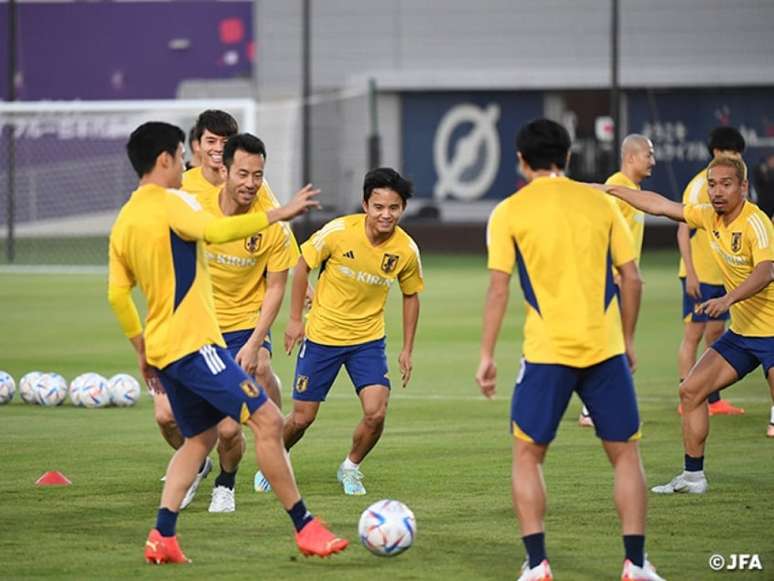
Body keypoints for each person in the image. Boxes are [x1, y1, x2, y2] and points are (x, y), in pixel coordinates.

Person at [108, 121, 347, 563]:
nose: (189, 164)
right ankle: (305, 526)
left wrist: (141, 349)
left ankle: (163, 536)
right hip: (194, 345)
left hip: (163, 348)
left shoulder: (125, 219)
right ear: (163, 159)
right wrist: (279, 213)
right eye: (182, 155)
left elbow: (117, 294)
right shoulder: (173, 202)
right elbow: (216, 232)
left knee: (198, 440)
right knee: (270, 422)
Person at [477, 119, 664, 581]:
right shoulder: (600, 201)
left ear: (521, 161)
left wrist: (486, 355)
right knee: (625, 455)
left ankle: (538, 564)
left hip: (546, 353)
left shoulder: (508, 212)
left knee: (527, 455)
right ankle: (636, 564)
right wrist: (629, 340)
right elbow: (632, 278)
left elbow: (498, 289)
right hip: (605, 350)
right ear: (569, 157)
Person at [604, 155, 773, 494]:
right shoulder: (708, 216)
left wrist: (727, 300)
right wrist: (610, 189)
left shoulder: (756, 223)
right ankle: (693, 477)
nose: (717, 191)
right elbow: (660, 206)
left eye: (726, 184)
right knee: (691, 391)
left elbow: (766, 271)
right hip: (742, 334)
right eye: (712, 184)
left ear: (743, 187)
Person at [254, 167, 424, 497]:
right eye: (378, 206)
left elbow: (411, 294)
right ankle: (274, 459)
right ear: (365, 205)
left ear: (402, 208)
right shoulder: (338, 232)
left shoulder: (406, 251)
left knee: (376, 412)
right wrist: (294, 320)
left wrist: (407, 349)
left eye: (393, 208)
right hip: (322, 339)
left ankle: (351, 467)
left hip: (367, 342)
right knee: (302, 419)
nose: (385, 215)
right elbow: (302, 264)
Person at [192, 133, 302, 512]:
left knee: (228, 426)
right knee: (173, 420)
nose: (251, 183)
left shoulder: (272, 224)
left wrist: (256, 342)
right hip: (199, 327)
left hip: (243, 324)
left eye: (258, 175)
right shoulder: (196, 209)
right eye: (243, 173)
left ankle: (226, 483)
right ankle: (196, 466)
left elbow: (275, 288)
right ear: (224, 170)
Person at [580, 134, 655, 428]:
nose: (653, 160)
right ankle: (591, 408)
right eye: (648, 154)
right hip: (610, 280)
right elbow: (594, 229)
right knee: (608, 344)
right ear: (632, 157)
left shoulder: (632, 190)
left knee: (611, 344)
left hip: (624, 278)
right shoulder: (616, 189)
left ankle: (595, 407)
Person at [675, 127, 747, 417]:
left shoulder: (736, 184)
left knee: (716, 334)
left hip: (722, 276)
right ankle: (686, 395)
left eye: (739, 153)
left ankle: (714, 399)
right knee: (693, 333)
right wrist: (690, 274)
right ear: (717, 153)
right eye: (731, 152)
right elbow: (683, 230)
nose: (736, 157)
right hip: (700, 275)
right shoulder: (699, 186)